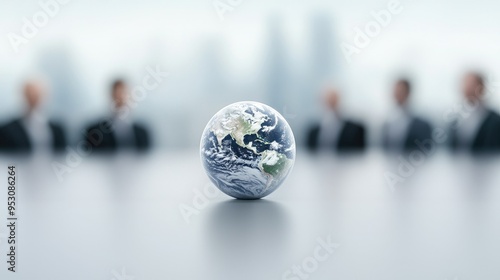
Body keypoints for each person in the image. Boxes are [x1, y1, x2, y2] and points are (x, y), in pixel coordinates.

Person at [0, 79, 66, 153]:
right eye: (29, 94)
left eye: (36, 94)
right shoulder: (7, 130)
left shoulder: (57, 130)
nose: (33, 97)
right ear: (23, 96)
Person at [84, 79, 150, 152]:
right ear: (111, 97)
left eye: (125, 95)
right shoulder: (94, 133)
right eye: (117, 96)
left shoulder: (142, 133)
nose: (121, 100)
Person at [449, 72, 500, 152]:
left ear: (482, 87)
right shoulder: (456, 118)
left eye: (471, 85)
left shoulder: (495, 120)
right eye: (464, 85)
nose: (466, 89)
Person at [307, 87, 366, 152]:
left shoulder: (355, 130)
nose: (331, 104)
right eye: (328, 100)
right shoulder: (313, 132)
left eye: (334, 100)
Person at [382, 79, 432, 151]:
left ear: (408, 93)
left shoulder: (423, 126)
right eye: (396, 92)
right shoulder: (387, 124)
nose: (398, 95)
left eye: (401, 92)